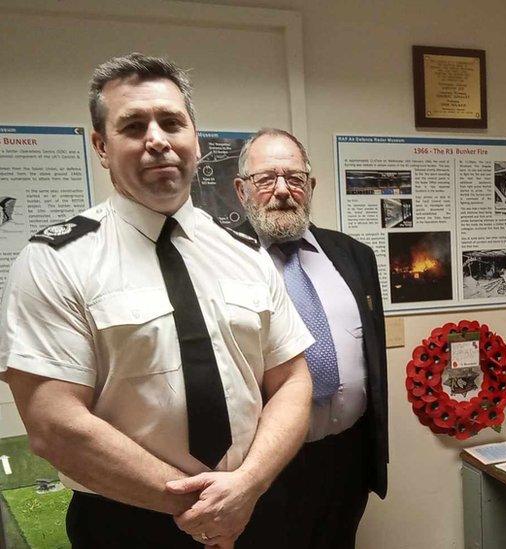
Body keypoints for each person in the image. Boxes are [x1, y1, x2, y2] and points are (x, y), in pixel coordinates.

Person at [0, 53, 315, 548]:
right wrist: (201, 507)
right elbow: (53, 424)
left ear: (195, 138)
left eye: (172, 122)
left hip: (254, 508)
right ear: (101, 147)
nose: (157, 140)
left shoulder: (245, 252)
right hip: (127, 521)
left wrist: (248, 485)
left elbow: (293, 380)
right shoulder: (55, 261)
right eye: (133, 126)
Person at [234, 128, 388, 548]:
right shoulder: (223, 262)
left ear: (311, 186)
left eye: (295, 178)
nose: (283, 190)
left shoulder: (354, 255)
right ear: (242, 190)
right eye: (266, 179)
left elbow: (372, 354)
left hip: (347, 458)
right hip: (263, 467)